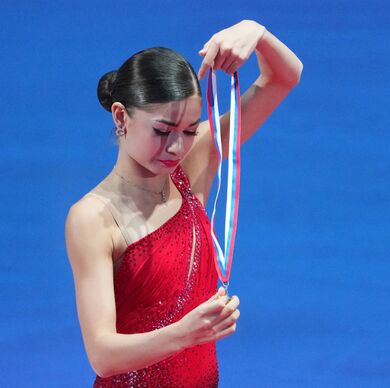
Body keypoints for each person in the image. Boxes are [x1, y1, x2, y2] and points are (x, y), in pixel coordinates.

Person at [65, 20, 302, 387]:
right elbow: (102, 355)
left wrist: (258, 33)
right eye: (162, 131)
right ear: (120, 116)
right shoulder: (93, 218)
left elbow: (284, 78)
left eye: (190, 130)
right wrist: (185, 334)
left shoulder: (195, 161)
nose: (177, 147)